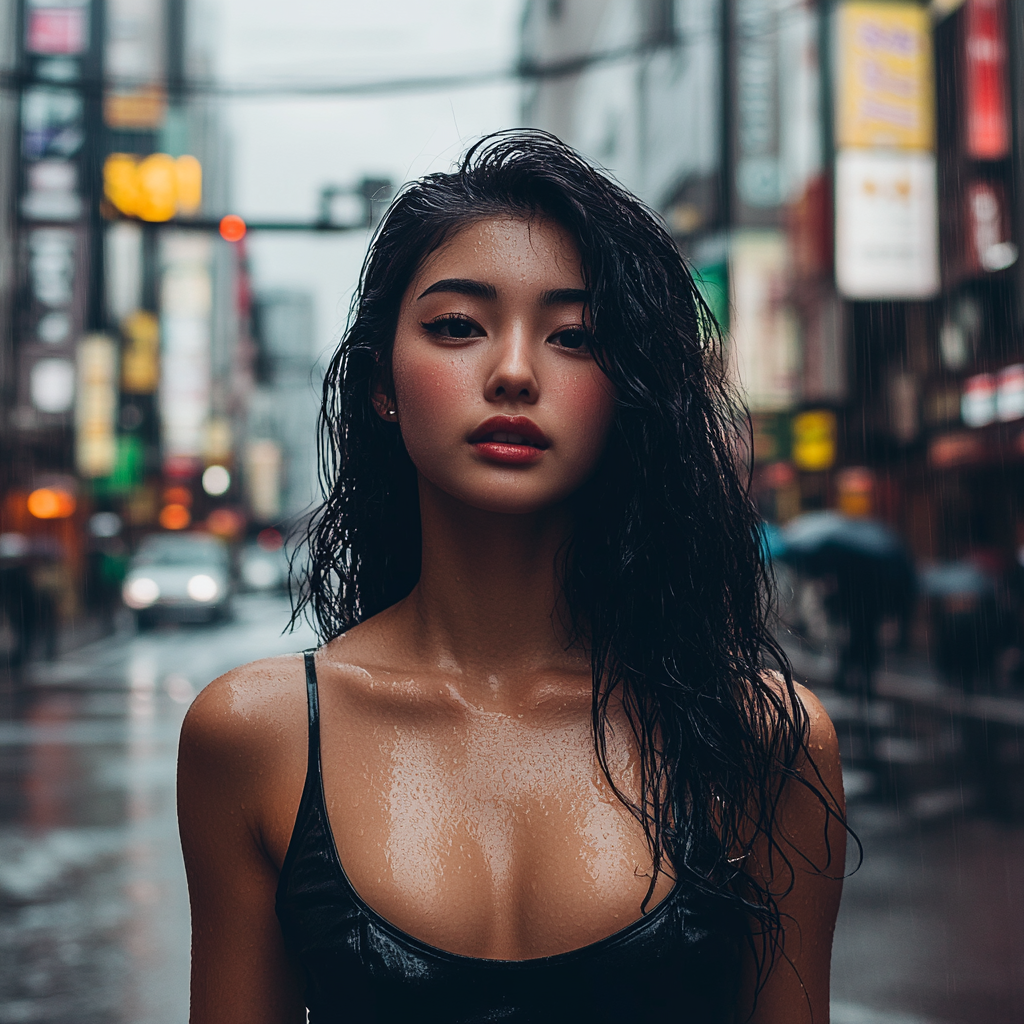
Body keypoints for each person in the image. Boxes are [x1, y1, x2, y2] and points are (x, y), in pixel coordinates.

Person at [178, 131, 847, 1024]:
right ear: (382, 380)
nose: (514, 372)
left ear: (628, 391)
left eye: (574, 335)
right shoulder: (257, 737)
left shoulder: (762, 739)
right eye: (457, 326)